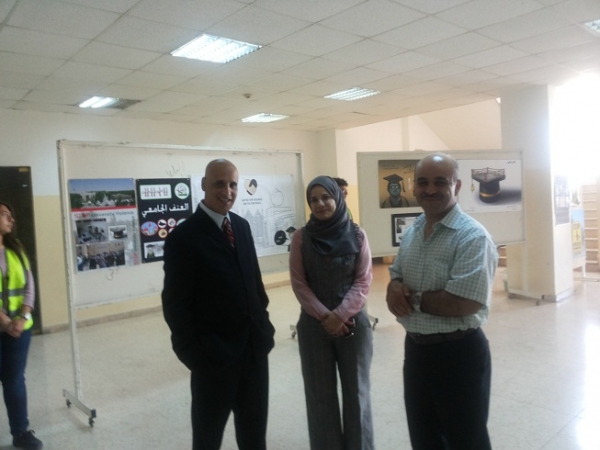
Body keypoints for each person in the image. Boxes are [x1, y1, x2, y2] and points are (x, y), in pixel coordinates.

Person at [385, 153, 498, 450]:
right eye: (422, 182)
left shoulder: (473, 237)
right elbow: (396, 274)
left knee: (466, 441)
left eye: (440, 182)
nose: (430, 189)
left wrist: (411, 299)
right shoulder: (414, 231)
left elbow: (465, 303)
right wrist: (393, 286)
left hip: (458, 355)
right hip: (417, 351)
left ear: (457, 186)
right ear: (414, 186)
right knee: (425, 438)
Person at [162, 159, 275, 450]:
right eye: (219, 184)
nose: (227, 191)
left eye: (233, 184)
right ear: (203, 185)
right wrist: (195, 357)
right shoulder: (184, 238)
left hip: (253, 352)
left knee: (254, 438)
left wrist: (264, 327)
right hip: (213, 359)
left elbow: (255, 285)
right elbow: (175, 304)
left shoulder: (242, 227)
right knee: (208, 439)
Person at [290, 176, 374, 450]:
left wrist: (340, 314)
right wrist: (325, 316)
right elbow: (299, 283)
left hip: (353, 326)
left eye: (326, 197)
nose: (320, 204)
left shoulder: (358, 235)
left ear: (337, 197)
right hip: (314, 328)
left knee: (357, 393)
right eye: (314, 199)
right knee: (319, 397)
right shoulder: (301, 238)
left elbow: (363, 281)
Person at [0, 201, 43, 450]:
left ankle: (21, 433)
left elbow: (29, 286)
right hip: (7, 325)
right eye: (5, 215)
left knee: (14, 380)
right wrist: (5, 321)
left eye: (11, 216)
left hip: (18, 331)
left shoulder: (16, 248)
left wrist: (24, 317)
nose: (11, 219)